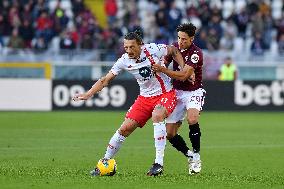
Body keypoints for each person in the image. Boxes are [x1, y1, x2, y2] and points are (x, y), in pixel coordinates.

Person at [73, 30, 194, 176]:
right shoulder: (123, 60)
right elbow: (105, 79)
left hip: (165, 93)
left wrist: (183, 68)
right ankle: (104, 162)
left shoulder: (152, 49)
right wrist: (88, 94)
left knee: (157, 115)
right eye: (126, 47)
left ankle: (158, 164)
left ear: (141, 45)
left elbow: (174, 50)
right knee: (124, 129)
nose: (129, 51)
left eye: (132, 47)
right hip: (144, 98)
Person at [152, 23, 206, 175]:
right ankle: (189, 155)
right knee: (169, 134)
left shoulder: (196, 53)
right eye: (179, 38)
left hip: (193, 92)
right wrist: (160, 66)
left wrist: (163, 69)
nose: (181, 42)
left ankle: (196, 156)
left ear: (192, 38)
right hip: (175, 93)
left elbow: (183, 75)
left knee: (192, 118)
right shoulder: (174, 48)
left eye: (184, 39)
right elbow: (164, 62)